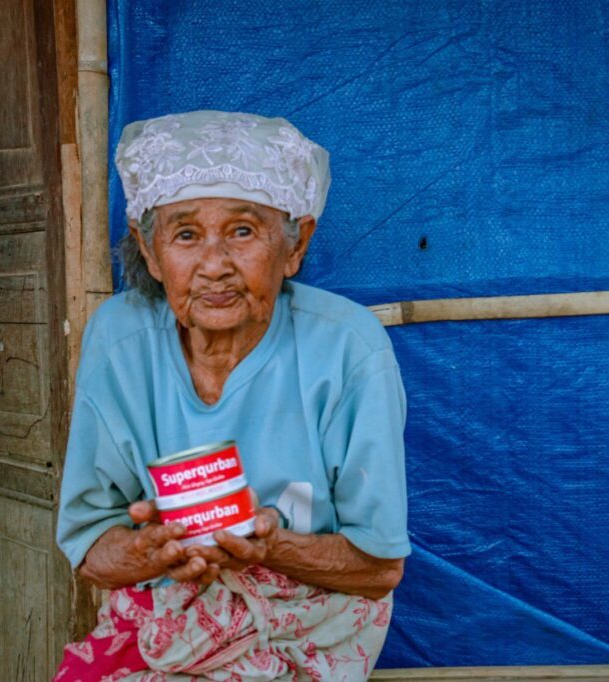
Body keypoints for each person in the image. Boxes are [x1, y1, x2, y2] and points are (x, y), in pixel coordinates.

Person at [55, 110, 409, 681]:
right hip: (167, 610)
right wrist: (150, 551)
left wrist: (269, 548)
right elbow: (92, 548)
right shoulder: (119, 339)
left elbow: (380, 568)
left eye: (243, 231)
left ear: (295, 246)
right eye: (186, 235)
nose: (214, 265)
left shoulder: (348, 348)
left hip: (308, 617)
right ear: (149, 252)